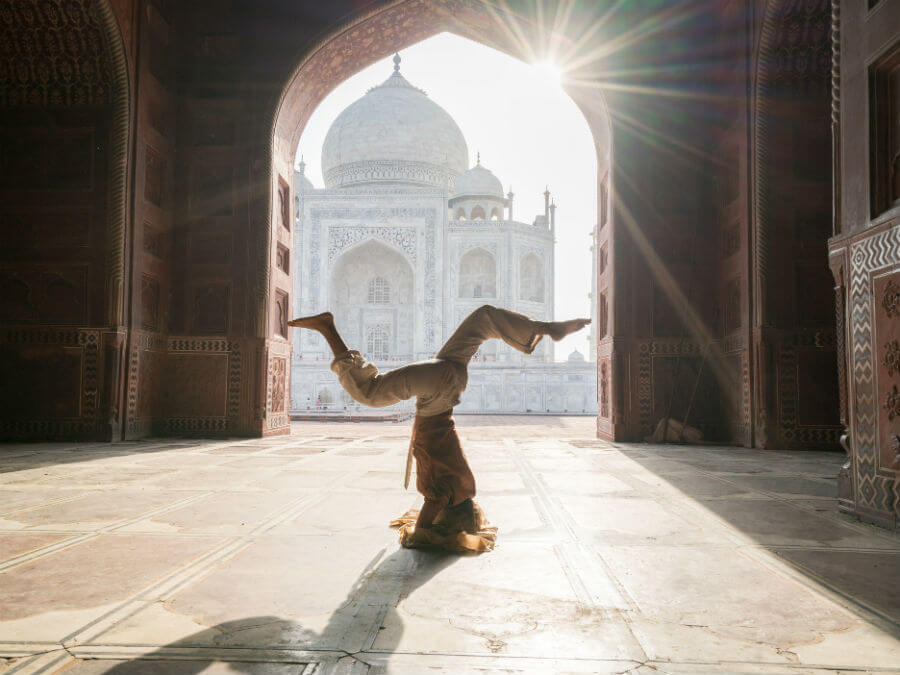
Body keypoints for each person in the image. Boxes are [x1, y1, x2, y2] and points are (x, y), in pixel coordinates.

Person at [289, 305, 590, 553]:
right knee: (370, 391)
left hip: (454, 373)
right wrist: (423, 532)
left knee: (482, 319)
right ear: (449, 517)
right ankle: (327, 328)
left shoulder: (464, 484)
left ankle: (540, 329)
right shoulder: (442, 490)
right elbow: (425, 522)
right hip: (439, 389)